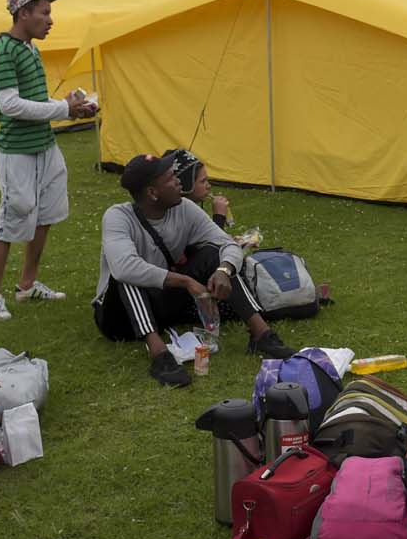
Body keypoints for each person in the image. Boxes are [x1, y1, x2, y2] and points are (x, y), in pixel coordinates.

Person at [94, 151, 296, 387]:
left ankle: (262, 334)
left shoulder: (185, 208)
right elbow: (124, 267)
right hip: (119, 317)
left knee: (215, 255)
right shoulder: (118, 217)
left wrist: (224, 270)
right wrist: (186, 281)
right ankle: (160, 355)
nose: (178, 180)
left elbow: (227, 243)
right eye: (170, 178)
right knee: (126, 276)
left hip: (160, 304)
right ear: (152, 192)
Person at [0, 0, 96, 321]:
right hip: (17, 150)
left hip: (44, 146)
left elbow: (36, 99)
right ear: (23, 14)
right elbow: (11, 105)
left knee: (46, 214)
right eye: (44, 13)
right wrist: (63, 109)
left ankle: (27, 285)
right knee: (11, 218)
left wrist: (73, 108)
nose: (51, 20)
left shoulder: (29, 48)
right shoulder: (3, 49)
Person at [170, 147, 233, 229]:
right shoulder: (179, 218)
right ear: (186, 185)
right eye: (203, 181)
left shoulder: (188, 211)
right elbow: (213, 241)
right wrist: (219, 216)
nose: (208, 186)